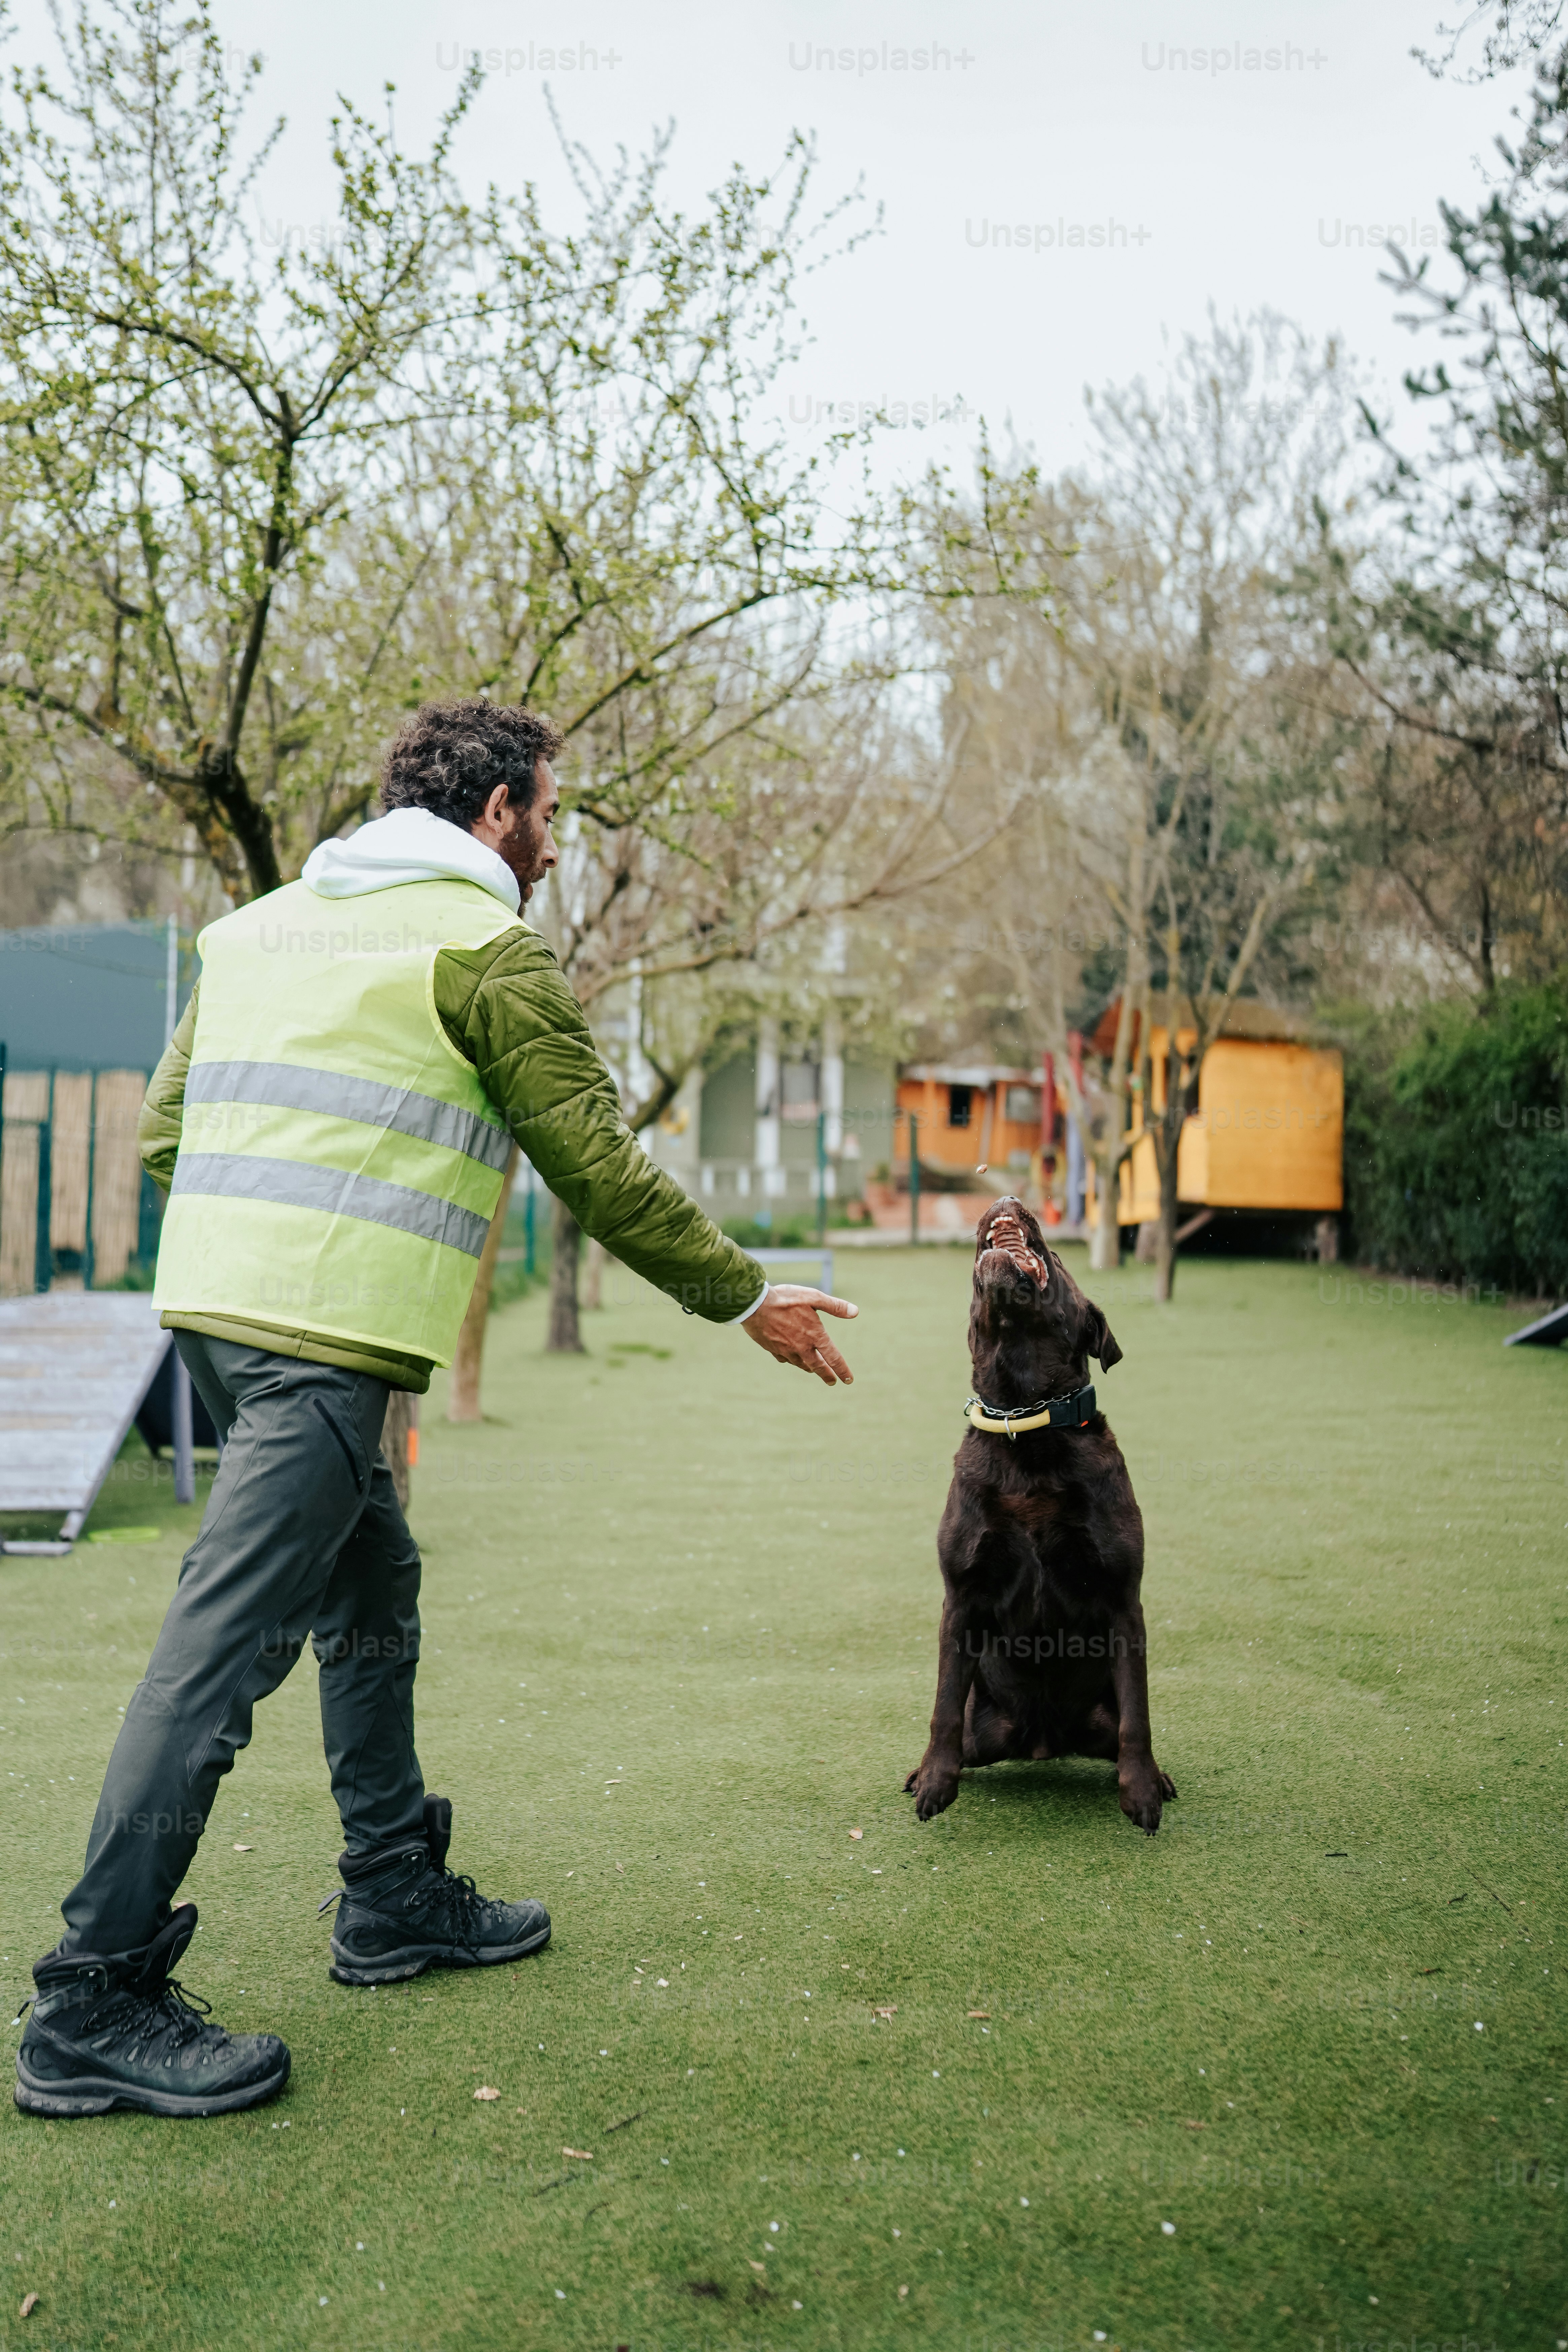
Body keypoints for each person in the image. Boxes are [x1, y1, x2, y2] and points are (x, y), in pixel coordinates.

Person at [16, 701, 857, 2121]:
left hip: (221, 1321)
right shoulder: (484, 952)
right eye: (548, 815)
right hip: (325, 1348)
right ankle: (90, 1994)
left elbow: (169, 1129)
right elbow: (598, 1169)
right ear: (495, 815)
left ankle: (392, 1889)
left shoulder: (263, 926)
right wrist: (742, 1297)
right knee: (217, 1656)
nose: (551, 846)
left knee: (374, 1584)